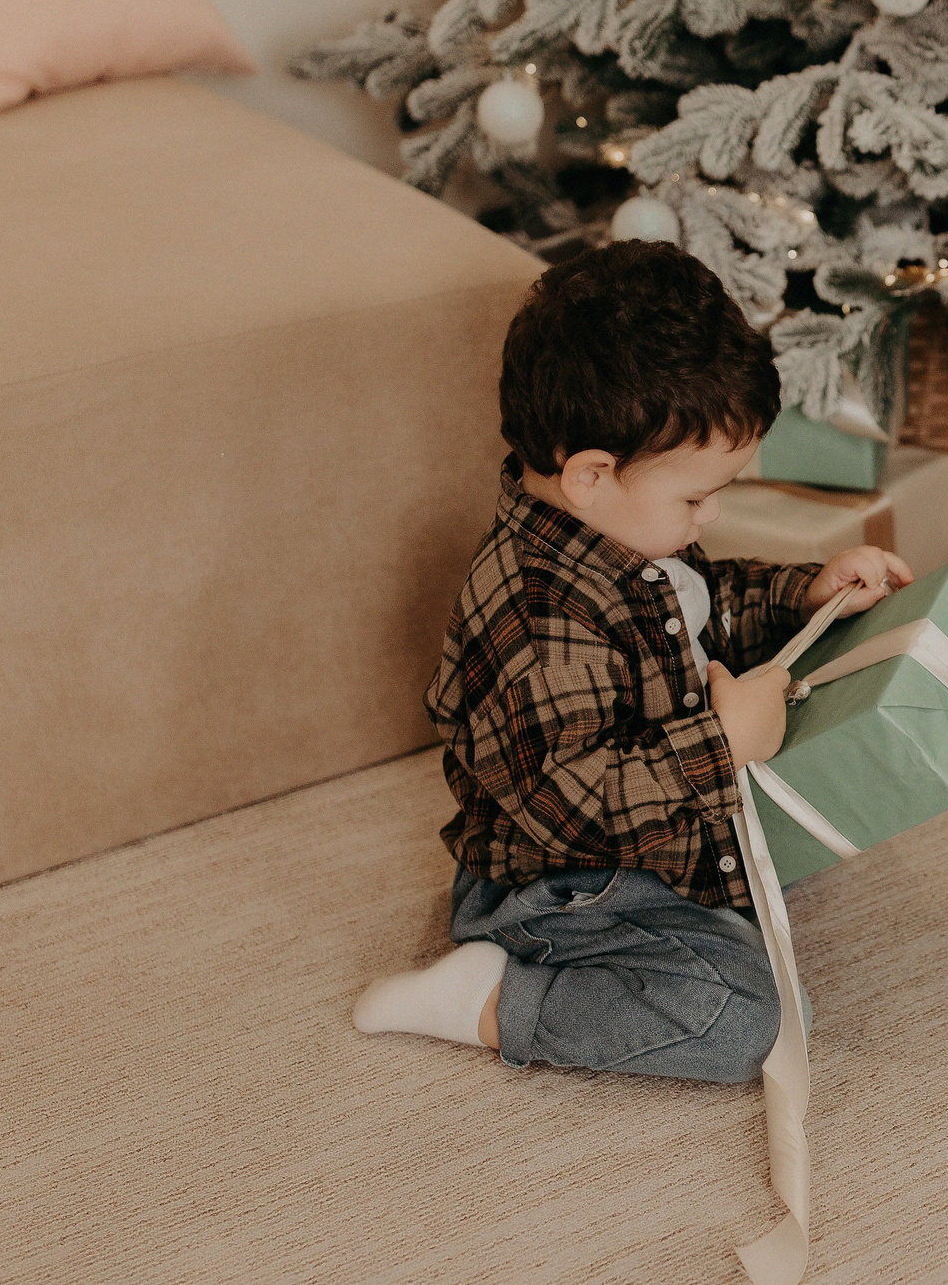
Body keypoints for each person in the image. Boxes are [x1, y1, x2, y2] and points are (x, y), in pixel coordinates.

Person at [352, 240, 910, 1076]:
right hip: (563, 882)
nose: (710, 515)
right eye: (696, 495)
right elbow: (570, 804)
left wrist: (805, 593)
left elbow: (707, 607)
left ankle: (696, 908)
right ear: (590, 474)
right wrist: (722, 745)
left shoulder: (630, 536)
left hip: (652, 840)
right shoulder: (537, 615)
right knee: (739, 1017)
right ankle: (494, 997)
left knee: (808, 837)